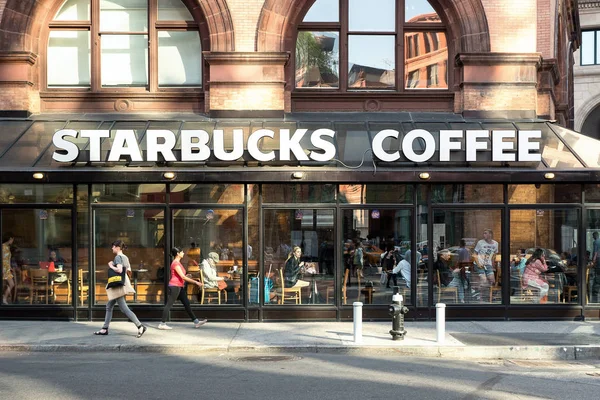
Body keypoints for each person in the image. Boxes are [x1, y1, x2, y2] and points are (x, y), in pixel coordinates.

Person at [94, 240, 146, 338]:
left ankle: (140, 326)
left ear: (118, 247)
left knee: (124, 308)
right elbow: (128, 271)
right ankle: (104, 328)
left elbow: (119, 270)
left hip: (118, 285)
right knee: (109, 305)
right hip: (121, 284)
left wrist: (110, 265)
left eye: (113, 246)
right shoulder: (125, 257)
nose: (112, 248)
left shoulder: (118, 257)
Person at [158, 247, 207, 330]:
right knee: (169, 305)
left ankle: (196, 322)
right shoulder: (175, 263)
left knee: (186, 303)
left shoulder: (178, 263)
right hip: (175, 286)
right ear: (178, 253)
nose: (183, 253)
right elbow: (182, 277)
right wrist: (196, 282)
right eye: (182, 252)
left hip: (179, 286)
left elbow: (181, 276)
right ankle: (162, 323)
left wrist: (187, 276)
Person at [474, 229, 498, 300]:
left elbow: (494, 255)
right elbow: (475, 254)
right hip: (479, 263)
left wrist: (493, 265)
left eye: (485, 233)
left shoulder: (495, 244)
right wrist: (478, 264)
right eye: (483, 233)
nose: (483, 235)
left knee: (492, 280)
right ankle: (480, 295)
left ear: (490, 234)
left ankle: (490, 295)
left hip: (488, 264)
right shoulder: (480, 242)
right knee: (483, 280)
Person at [2, 236, 14, 305]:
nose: (12, 241)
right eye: (12, 240)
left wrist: (10, 267)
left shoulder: (8, 247)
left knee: (11, 284)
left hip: (7, 268)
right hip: (3, 268)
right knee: (9, 284)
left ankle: (4, 297)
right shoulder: (2, 247)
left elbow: (8, 259)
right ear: (10, 239)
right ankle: (4, 298)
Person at [591, 232, 600, 302]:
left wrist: (593, 261)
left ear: (594, 236)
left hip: (598, 260)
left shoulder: (595, 242)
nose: (592, 237)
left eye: (593, 236)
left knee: (597, 275)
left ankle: (595, 291)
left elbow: (595, 252)